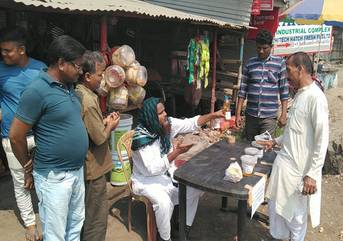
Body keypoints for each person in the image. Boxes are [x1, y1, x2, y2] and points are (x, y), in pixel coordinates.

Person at [9, 35, 88, 241]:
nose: (81, 71)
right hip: (54, 177)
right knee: (55, 234)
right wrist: (27, 165)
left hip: (76, 171)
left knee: (74, 227)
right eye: (77, 66)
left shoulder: (69, 86)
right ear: (61, 63)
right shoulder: (37, 90)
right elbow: (16, 136)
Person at [131, 97, 224, 241]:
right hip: (146, 181)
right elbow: (152, 170)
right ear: (151, 116)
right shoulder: (141, 139)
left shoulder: (166, 125)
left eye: (164, 110)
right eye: (161, 113)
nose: (165, 114)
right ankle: (165, 238)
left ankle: (183, 229)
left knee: (195, 187)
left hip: (166, 174)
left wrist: (213, 115)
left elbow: (191, 123)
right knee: (163, 202)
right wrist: (176, 153)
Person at [264, 52, 329, 241]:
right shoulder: (299, 95)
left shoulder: (315, 98)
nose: (286, 75)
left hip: (300, 172)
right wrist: (275, 141)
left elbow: (321, 138)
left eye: (289, 70)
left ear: (300, 70)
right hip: (284, 166)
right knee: (277, 210)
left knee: (296, 218)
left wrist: (312, 174)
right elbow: (295, 130)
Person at [0, 26, 46, 241]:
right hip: (11, 137)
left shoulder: (40, 70)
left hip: (41, 135)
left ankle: (47, 217)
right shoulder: (0, 70)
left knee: (44, 178)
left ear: (21, 50)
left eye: (7, 50)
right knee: (20, 183)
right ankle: (29, 223)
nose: (3, 54)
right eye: (2, 50)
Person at [75, 51, 120, 241]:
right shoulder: (87, 100)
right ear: (87, 76)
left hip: (87, 166)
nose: (102, 79)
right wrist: (110, 125)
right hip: (93, 168)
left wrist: (102, 122)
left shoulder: (80, 93)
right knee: (96, 218)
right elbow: (100, 138)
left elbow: (89, 128)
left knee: (86, 214)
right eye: (100, 74)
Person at [235, 29, 289, 141]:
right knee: (249, 148)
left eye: (264, 48)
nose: (261, 51)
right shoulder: (250, 64)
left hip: (269, 117)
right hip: (251, 116)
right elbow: (242, 90)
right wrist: (238, 114)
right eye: (258, 48)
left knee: (265, 148)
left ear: (271, 46)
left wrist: (284, 114)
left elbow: (284, 90)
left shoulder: (279, 63)